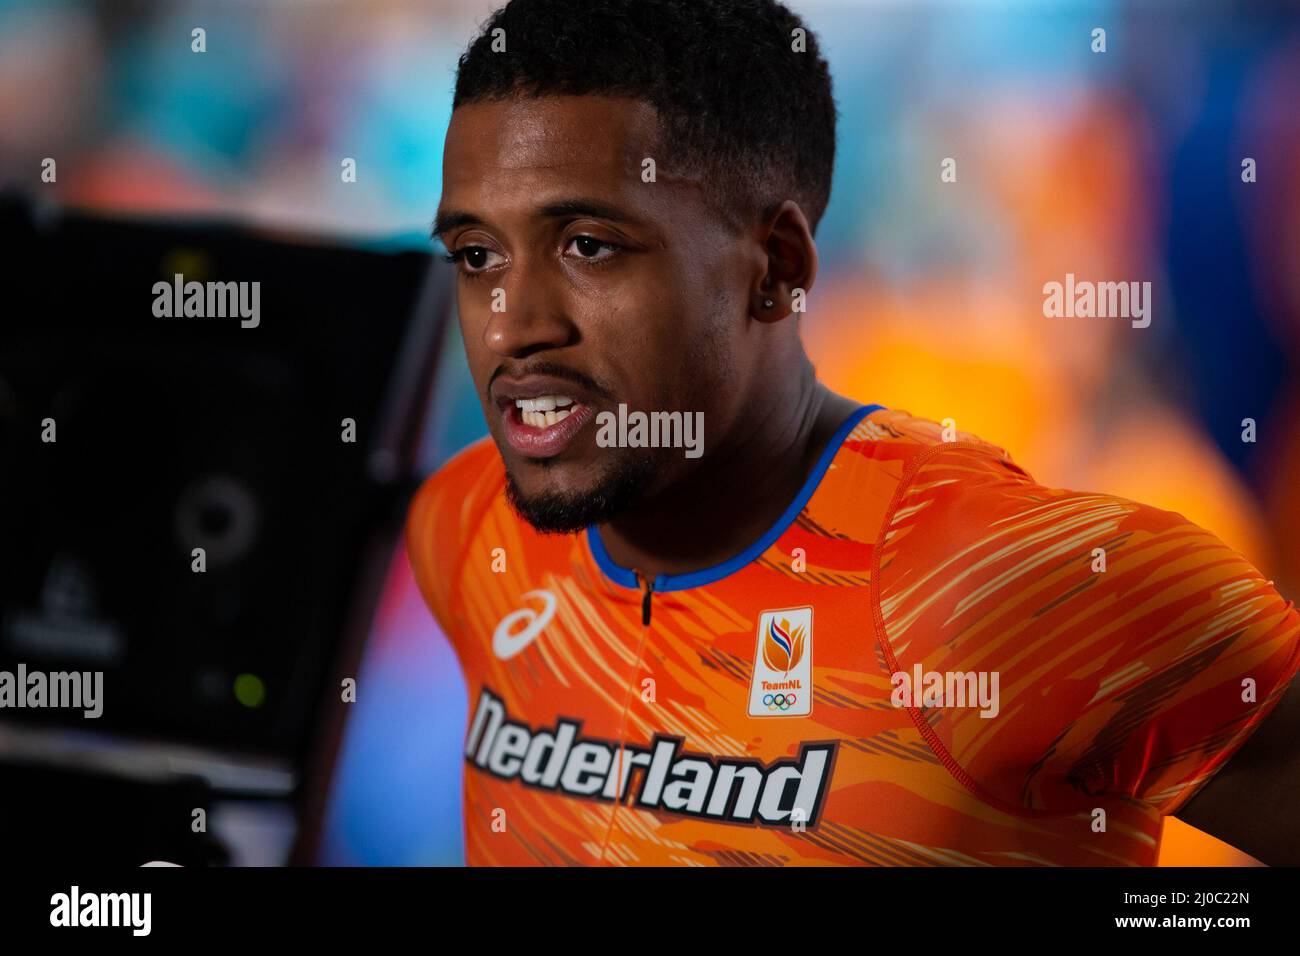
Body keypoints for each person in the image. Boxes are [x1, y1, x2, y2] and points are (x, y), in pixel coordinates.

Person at [407, 0, 1300, 866]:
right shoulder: (466, 526)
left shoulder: (1015, 584)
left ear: (776, 268)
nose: (510, 327)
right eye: (477, 255)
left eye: (589, 246)